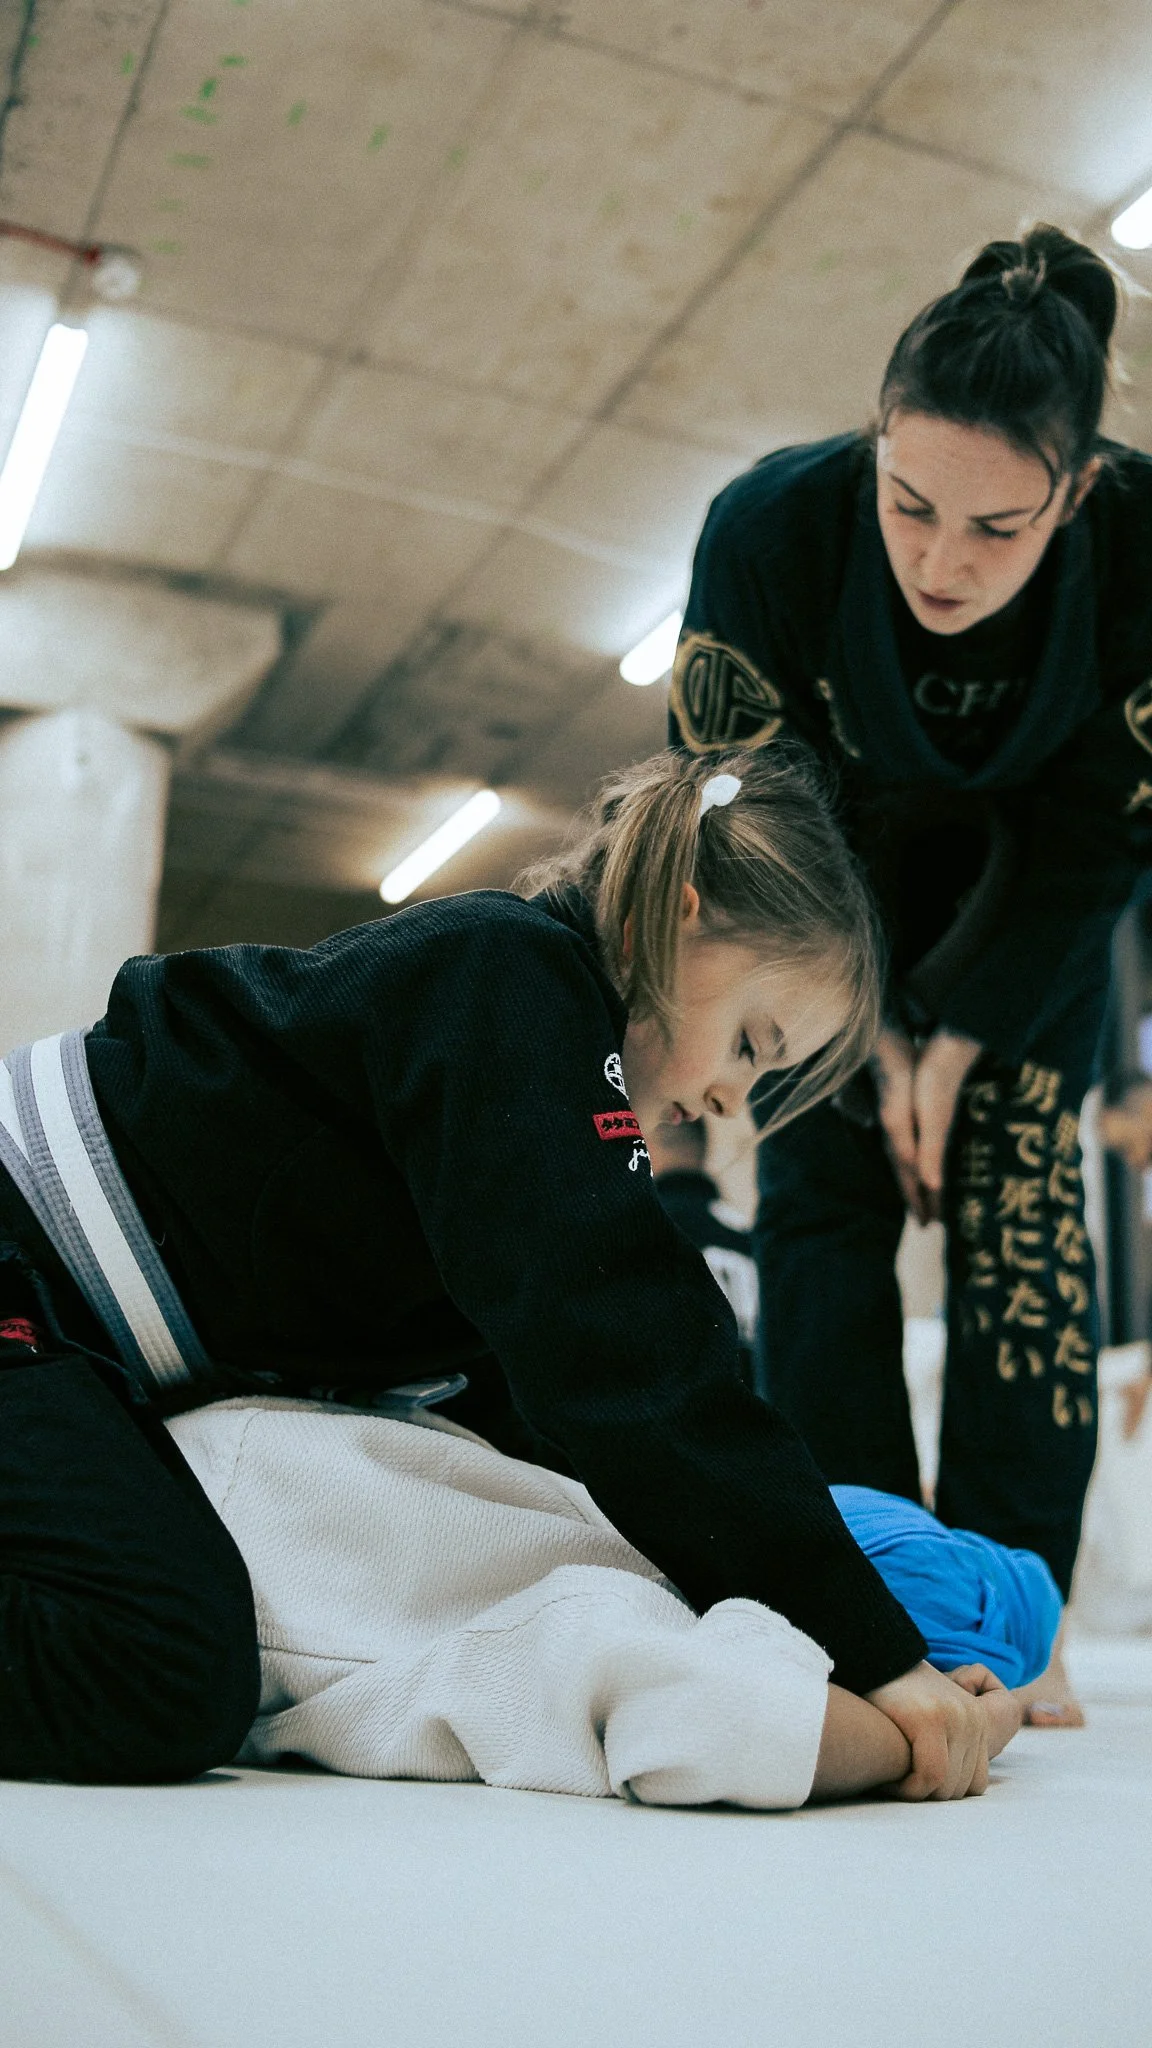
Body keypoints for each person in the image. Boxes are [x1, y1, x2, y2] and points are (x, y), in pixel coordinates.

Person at [0, 746, 1012, 1799]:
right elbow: (630, 1364)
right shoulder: (509, 979)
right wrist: (878, 1653)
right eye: (753, 1043)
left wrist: (829, 1640)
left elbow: (550, 1420)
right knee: (167, 1659)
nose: (730, 1101)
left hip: (61, 1316)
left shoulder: (528, 1039)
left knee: (182, 1644)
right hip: (16, 1246)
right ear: (678, 917)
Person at [669, 225, 1152, 1719]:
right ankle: (859, 1582)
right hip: (827, 890)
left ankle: (1019, 1606)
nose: (943, 560)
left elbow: (1102, 837)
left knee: (1018, 1217)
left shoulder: (1146, 549)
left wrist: (967, 1045)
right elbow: (745, 805)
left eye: (1000, 529)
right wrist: (867, 1039)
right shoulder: (767, 532)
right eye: (911, 503)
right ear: (875, 443)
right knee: (821, 1207)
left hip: (1041, 903)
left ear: (1075, 495)